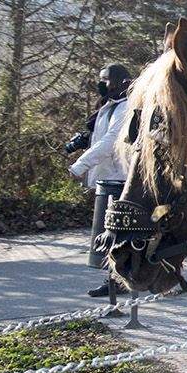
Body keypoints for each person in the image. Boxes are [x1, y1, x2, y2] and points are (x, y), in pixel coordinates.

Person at [68, 64, 134, 300]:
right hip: (111, 178)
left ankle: (117, 281)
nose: (101, 84)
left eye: (105, 80)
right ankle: (116, 280)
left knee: (117, 233)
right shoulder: (112, 106)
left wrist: (79, 165)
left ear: (118, 82)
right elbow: (100, 136)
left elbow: (111, 141)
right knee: (115, 234)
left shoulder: (126, 107)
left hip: (121, 179)